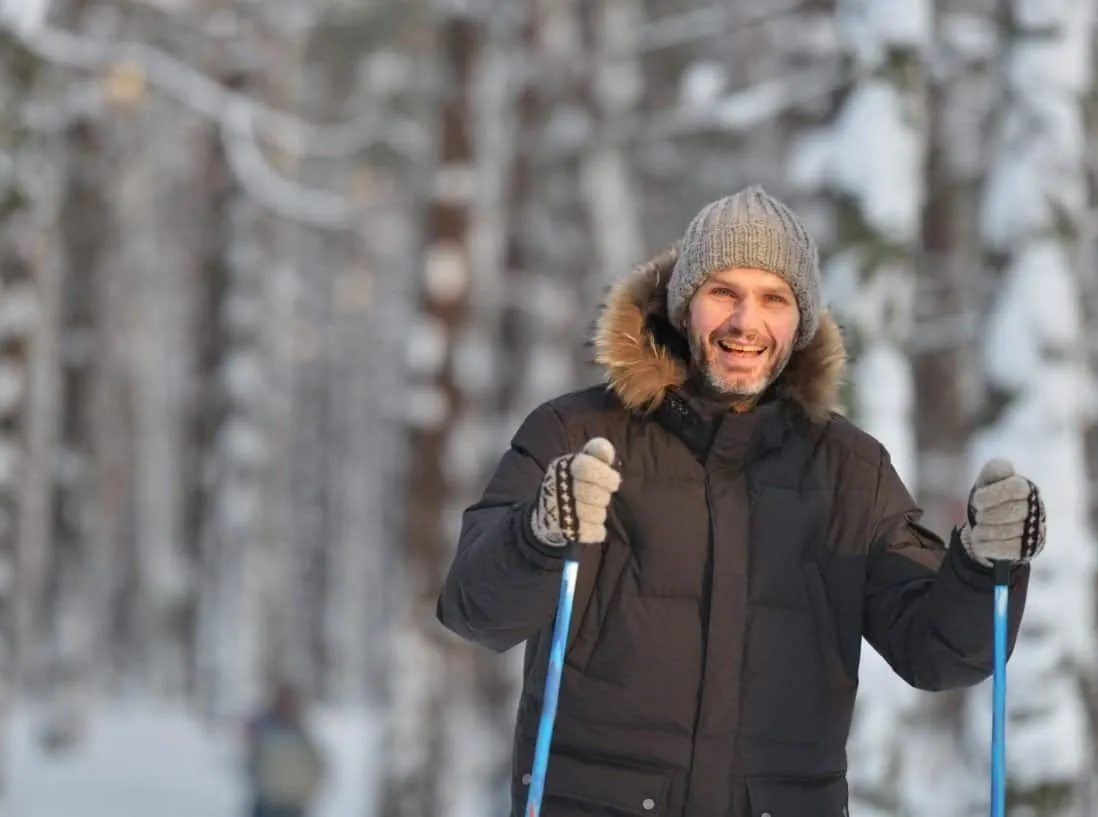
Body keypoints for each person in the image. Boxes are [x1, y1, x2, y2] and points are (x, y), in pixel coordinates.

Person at [437, 185, 1045, 817]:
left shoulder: (850, 469)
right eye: (723, 292)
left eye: (773, 299)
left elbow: (939, 654)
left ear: (800, 321)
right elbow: (475, 612)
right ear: (684, 305)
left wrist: (980, 566)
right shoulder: (575, 434)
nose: (744, 323)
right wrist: (537, 536)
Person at [243, 681, 325, 817]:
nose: (288, 705)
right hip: (268, 803)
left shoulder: (301, 735)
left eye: (291, 700)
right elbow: (251, 760)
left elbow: (317, 766)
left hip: (293, 804)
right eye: (284, 700)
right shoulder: (264, 727)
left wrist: (309, 789)